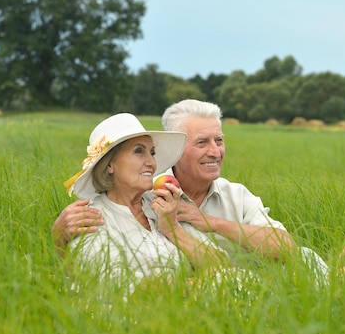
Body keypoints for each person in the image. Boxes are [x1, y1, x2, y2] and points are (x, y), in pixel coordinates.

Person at [54, 100, 298, 265]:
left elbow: (287, 250)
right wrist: (58, 239)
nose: (215, 152)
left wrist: (208, 222)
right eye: (202, 143)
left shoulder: (236, 195)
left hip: (236, 294)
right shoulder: (152, 198)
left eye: (219, 140)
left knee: (309, 260)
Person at [62, 112, 228, 285]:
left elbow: (221, 264)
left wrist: (172, 229)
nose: (151, 162)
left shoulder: (163, 204)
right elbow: (123, 287)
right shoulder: (90, 218)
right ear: (110, 164)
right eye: (139, 151)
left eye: (152, 152)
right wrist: (198, 284)